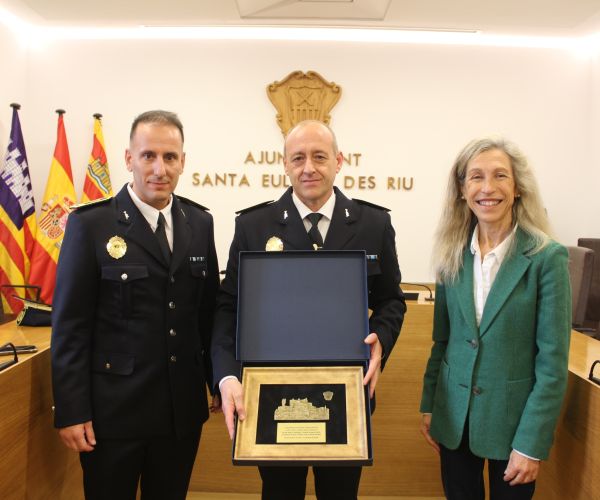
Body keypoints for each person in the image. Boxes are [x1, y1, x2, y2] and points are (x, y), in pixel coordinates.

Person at [211, 119, 406, 500]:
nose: (308, 167)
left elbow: (390, 300)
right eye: (297, 158)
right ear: (284, 164)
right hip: (271, 394)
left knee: (340, 493)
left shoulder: (372, 223)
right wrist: (226, 376)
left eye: (319, 156)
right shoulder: (254, 225)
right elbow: (227, 306)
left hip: (347, 393)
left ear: (339, 160)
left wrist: (381, 338)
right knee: (280, 493)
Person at [51, 110, 219, 500]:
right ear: (129, 159)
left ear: (182, 161)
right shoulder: (91, 225)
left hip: (180, 413)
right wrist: (72, 410)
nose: (160, 168)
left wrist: (216, 378)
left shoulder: (200, 223)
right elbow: (71, 326)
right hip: (113, 416)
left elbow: (206, 312)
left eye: (170, 157)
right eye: (148, 156)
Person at [419, 137, 571, 500]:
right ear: (461, 189)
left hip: (513, 428)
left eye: (500, 176)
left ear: (517, 187)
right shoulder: (451, 254)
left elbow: (552, 365)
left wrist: (531, 444)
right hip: (455, 419)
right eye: (476, 177)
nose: (488, 188)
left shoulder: (547, 258)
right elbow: (443, 341)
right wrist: (429, 404)